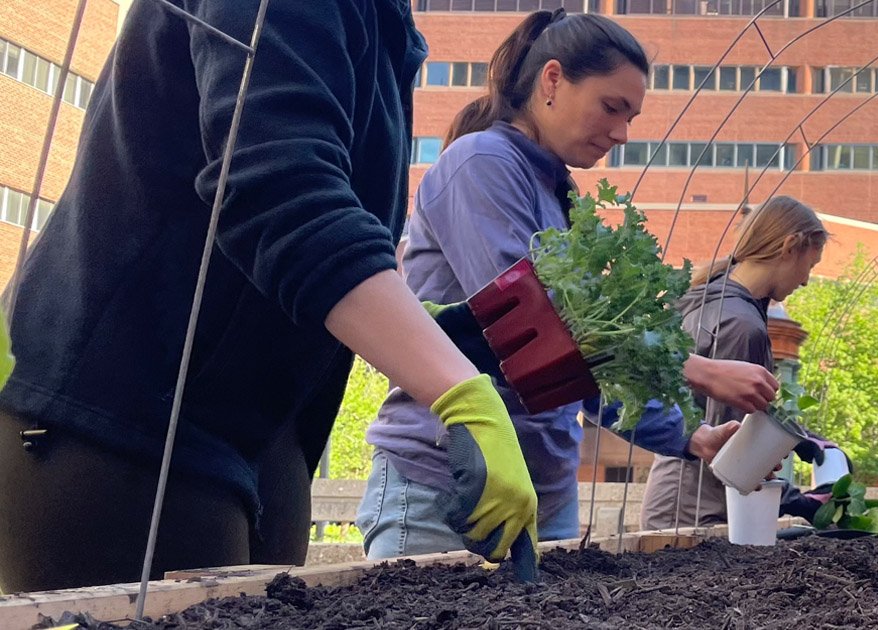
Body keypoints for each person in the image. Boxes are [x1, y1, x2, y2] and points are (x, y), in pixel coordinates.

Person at [0, 0, 538, 593]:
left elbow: (305, 245)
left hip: (258, 427)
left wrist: (441, 333)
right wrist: (458, 391)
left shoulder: (382, 25)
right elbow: (279, 191)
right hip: (121, 420)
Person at [357, 9, 778, 559]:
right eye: (612, 107)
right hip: (443, 481)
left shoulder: (561, 196)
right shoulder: (481, 163)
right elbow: (534, 325)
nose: (622, 133)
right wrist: (699, 369)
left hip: (546, 492)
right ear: (552, 79)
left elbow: (579, 366)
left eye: (632, 116)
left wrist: (690, 437)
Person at [640, 196, 853, 530]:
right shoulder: (740, 325)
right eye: (809, 267)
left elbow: (723, 419)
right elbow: (733, 446)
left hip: (681, 500)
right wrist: (802, 502)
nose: (806, 281)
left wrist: (801, 438)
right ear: (788, 247)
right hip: (699, 510)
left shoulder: (712, 298)